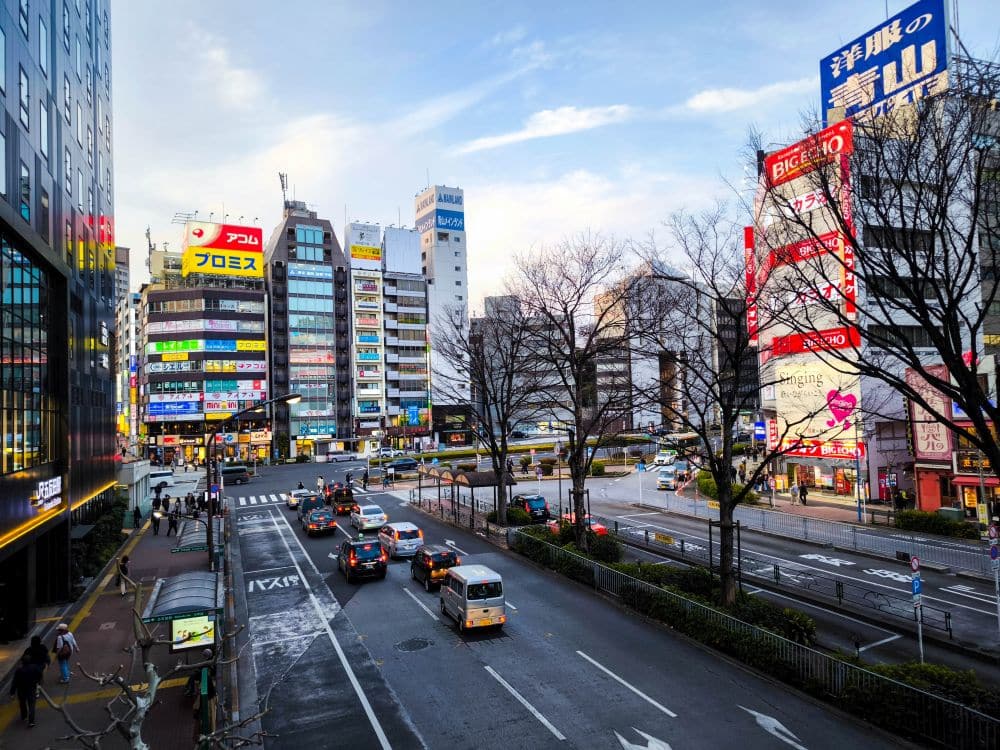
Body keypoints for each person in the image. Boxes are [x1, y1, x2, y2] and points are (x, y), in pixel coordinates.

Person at [10, 656, 42, 727]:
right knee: (32, 704)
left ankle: (24, 716)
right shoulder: (34, 667)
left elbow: (15, 681)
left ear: (22, 662)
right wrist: (38, 682)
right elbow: (40, 674)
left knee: (22, 703)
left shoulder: (19, 670)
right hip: (31, 688)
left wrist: (12, 692)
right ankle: (31, 721)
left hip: (21, 690)